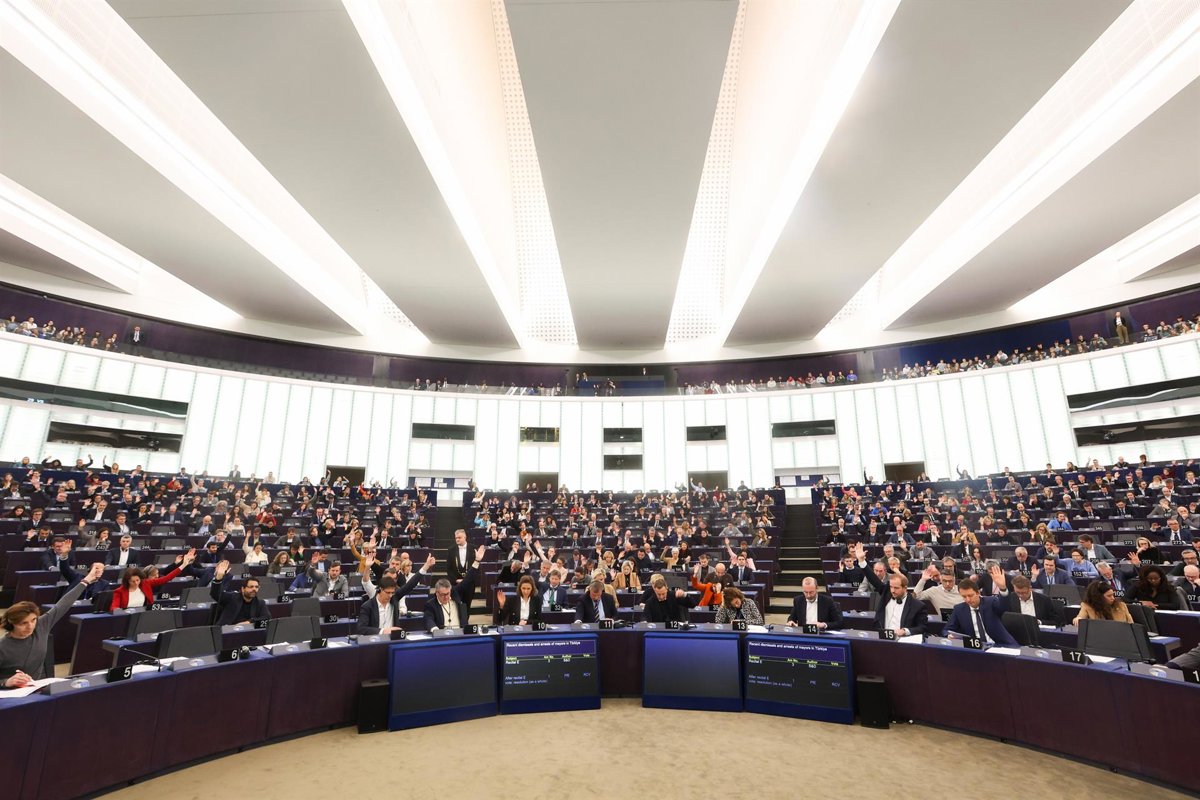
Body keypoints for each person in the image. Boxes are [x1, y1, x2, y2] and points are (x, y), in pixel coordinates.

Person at [2, 562, 105, 687]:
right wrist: (6, 682)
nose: (30, 626)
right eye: (23, 623)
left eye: (33, 620)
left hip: (36, 688)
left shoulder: (41, 625)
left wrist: (86, 580)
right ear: (12, 622)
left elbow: (63, 604)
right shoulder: (3, 647)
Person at [358, 555, 436, 635]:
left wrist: (426, 566)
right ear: (380, 589)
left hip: (393, 638)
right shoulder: (368, 603)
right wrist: (383, 631)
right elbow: (361, 629)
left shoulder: (395, 596)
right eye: (387, 593)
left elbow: (410, 584)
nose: (390, 596)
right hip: (375, 639)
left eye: (392, 593)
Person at [109, 550, 195, 611]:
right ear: (127, 581)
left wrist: (183, 565)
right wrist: (118, 611)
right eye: (133, 581)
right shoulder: (119, 591)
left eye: (137, 580)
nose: (136, 583)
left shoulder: (145, 583)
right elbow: (114, 608)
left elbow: (166, 578)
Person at [424, 546, 485, 631]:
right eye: (443, 595)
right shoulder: (431, 604)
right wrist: (435, 630)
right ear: (437, 593)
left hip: (459, 633)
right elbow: (428, 619)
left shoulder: (454, 594)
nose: (446, 597)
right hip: (442, 634)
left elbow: (467, 580)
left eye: (447, 593)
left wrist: (477, 561)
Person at [945, 579, 1018, 646]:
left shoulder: (991, 602)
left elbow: (1004, 607)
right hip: (976, 648)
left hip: (1000, 645)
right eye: (964, 596)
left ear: (978, 593)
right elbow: (946, 630)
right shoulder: (959, 609)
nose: (968, 600)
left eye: (970, 595)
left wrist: (1003, 589)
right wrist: (948, 635)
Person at [208, 561, 272, 626]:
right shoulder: (232, 597)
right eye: (251, 587)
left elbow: (267, 618)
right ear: (243, 589)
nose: (254, 589)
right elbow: (215, 594)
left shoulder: (260, 603)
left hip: (247, 631)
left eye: (256, 587)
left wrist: (249, 622)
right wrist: (218, 579)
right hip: (227, 629)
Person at [994, 574, 1064, 626]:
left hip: (1039, 632)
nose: (1021, 595)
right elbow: (1004, 618)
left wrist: (1040, 622)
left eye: (1024, 593)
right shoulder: (1010, 598)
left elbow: (1056, 621)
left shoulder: (1044, 600)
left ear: (1030, 589)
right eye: (1018, 592)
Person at [872, 573, 928, 638]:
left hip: (903, 641)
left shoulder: (918, 606)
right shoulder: (886, 595)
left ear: (905, 588)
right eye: (891, 587)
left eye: (896, 588)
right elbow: (873, 580)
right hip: (882, 639)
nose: (892, 591)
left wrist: (905, 631)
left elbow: (922, 627)